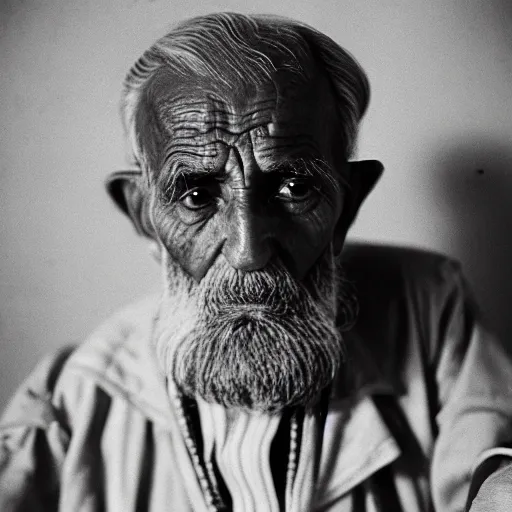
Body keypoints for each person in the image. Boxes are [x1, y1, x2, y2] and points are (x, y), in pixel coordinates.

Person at [1, 12, 511, 512]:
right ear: (142, 213)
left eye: (294, 188)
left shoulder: (428, 314)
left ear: (347, 205)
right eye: (197, 195)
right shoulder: (74, 400)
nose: (249, 251)